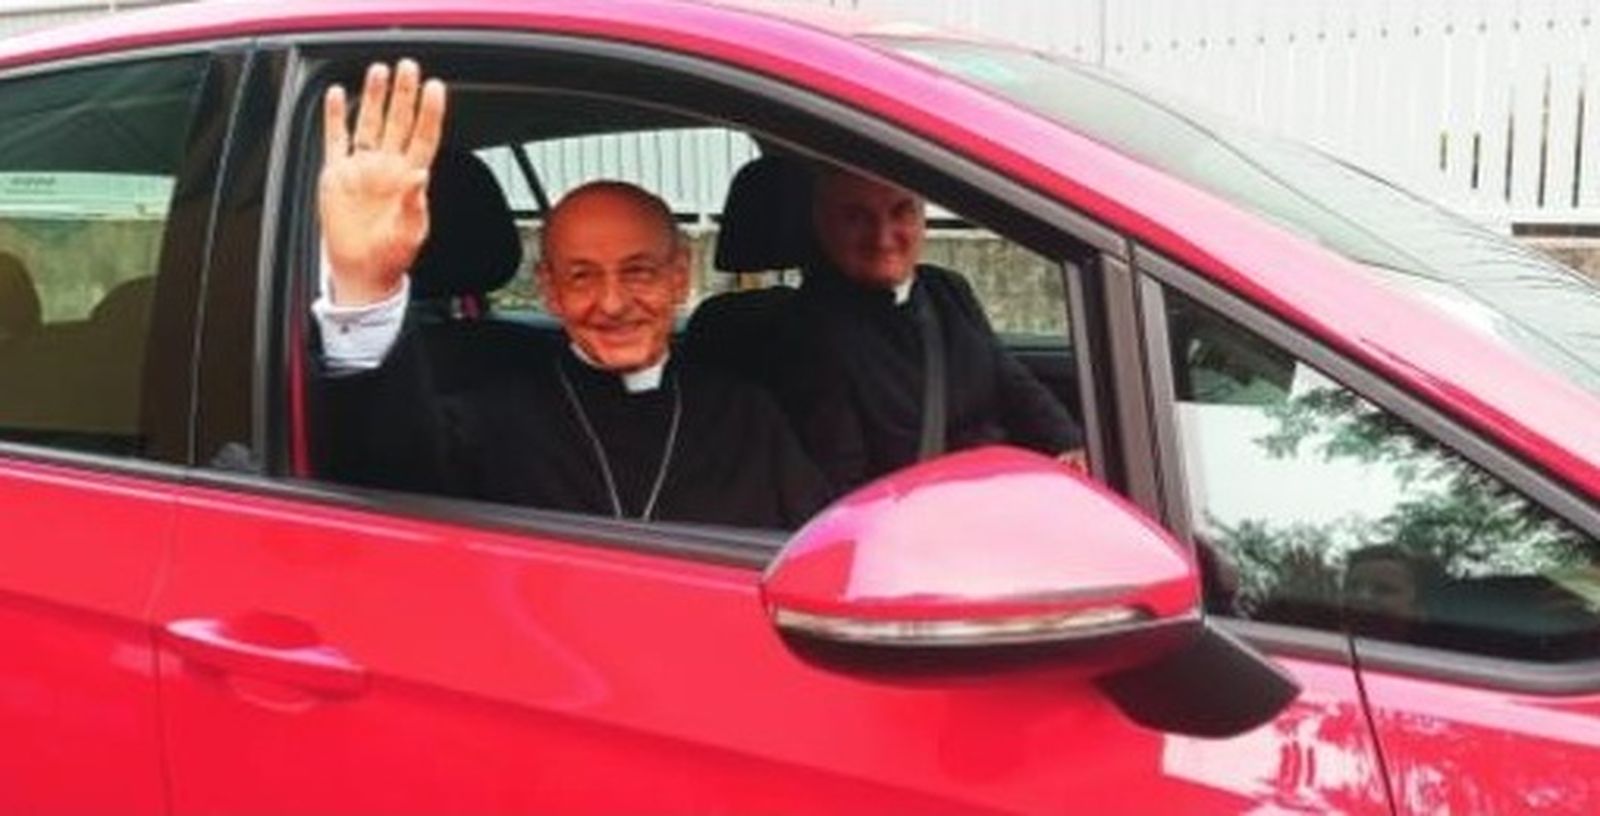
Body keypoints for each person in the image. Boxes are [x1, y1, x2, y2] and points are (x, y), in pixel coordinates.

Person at [313, 60, 828, 529]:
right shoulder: (490, 417)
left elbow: (821, 550)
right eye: (582, 276)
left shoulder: (746, 416)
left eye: (639, 272)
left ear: (680, 276)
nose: (612, 303)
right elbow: (380, 478)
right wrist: (366, 285)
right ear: (550, 291)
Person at [772, 165, 1087, 491]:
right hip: (928, 519)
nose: (883, 238)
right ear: (823, 224)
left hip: (999, 489)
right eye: (857, 217)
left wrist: (1069, 445)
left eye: (901, 211)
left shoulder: (946, 290)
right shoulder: (807, 333)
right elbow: (848, 487)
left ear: (922, 217)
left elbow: (1013, 383)